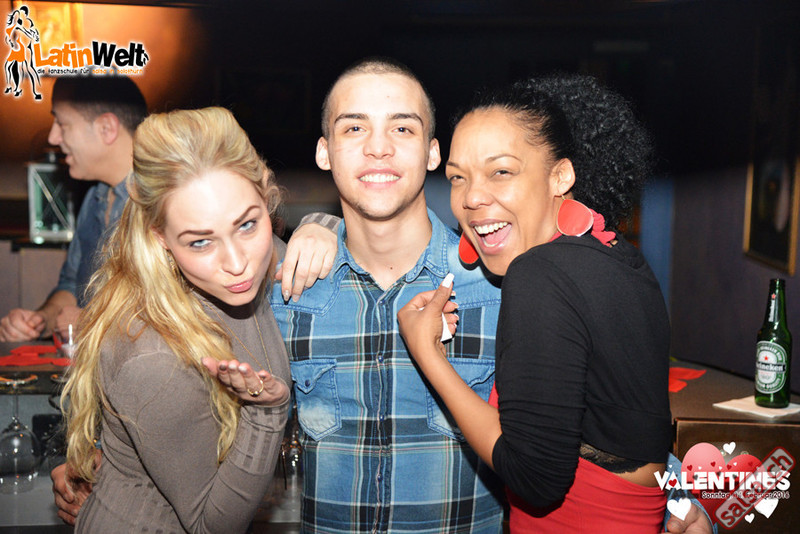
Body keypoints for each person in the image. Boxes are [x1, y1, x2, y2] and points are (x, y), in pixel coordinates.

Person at [398, 73, 712, 533]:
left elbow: (536, 478)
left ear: (560, 175)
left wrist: (427, 354)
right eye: (458, 178)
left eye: (501, 171)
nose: (471, 198)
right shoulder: (620, 257)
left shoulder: (539, 273)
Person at [269, 58, 505, 533]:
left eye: (402, 128)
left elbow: (569, 440)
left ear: (433, 153)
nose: (378, 148)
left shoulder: (495, 287)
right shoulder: (288, 293)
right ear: (324, 152)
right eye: (354, 128)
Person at [61, 106, 291, 533]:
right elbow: (210, 526)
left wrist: (321, 229)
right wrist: (267, 412)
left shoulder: (254, 259)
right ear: (160, 238)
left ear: (266, 198)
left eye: (247, 225)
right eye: (200, 242)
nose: (237, 263)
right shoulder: (150, 355)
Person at [0, 76, 147, 341]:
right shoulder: (94, 198)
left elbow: (181, 315)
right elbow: (71, 286)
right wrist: (40, 320)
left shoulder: (161, 202)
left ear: (106, 128)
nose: (53, 137)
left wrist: (95, 323)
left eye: (62, 123)